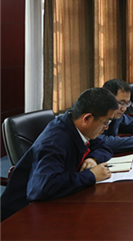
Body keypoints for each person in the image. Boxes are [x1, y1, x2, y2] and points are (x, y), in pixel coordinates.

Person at [1, 88, 116, 221]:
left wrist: (93, 159)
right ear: (87, 118)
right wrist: (91, 176)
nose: (106, 128)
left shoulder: (74, 125)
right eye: (106, 122)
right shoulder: (55, 141)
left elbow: (104, 147)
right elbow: (43, 187)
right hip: (21, 217)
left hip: (56, 204)